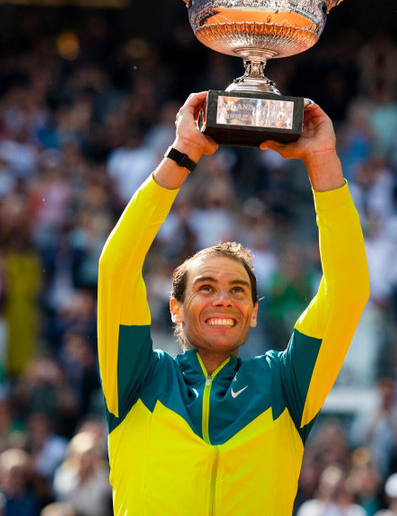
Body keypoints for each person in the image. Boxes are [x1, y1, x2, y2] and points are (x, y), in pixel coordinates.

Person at [97, 92, 369, 514]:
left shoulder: (285, 382)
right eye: (205, 288)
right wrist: (182, 153)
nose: (224, 299)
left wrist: (322, 161)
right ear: (175, 308)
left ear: (255, 311)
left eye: (239, 290)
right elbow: (117, 268)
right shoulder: (136, 377)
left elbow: (348, 290)